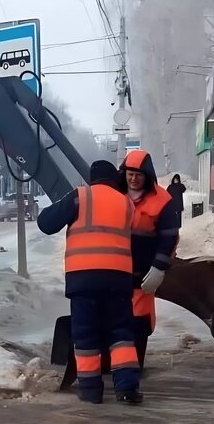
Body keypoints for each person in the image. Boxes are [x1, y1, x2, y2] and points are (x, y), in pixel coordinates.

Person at [38, 160, 143, 405]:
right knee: (122, 335)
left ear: (91, 178)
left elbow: (46, 223)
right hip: (118, 279)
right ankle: (127, 388)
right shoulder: (126, 203)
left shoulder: (80, 197)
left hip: (84, 279)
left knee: (85, 335)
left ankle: (91, 390)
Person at [118, 150, 182, 369]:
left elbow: (170, 237)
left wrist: (159, 267)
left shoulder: (163, 201)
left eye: (138, 174)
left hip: (143, 274)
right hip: (115, 271)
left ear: (147, 175)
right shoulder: (113, 194)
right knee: (113, 319)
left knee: (139, 320)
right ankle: (112, 363)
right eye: (129, 174)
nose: (133, 179)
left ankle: (135, 364)